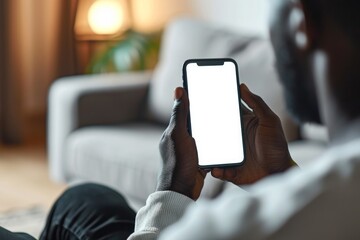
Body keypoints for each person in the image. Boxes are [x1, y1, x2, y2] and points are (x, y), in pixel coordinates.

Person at [1, 0, 360, 238]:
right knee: (90, 199)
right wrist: (282, 176)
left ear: (302, 20)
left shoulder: (234, 226)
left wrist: (175, 188)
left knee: (60, 213)